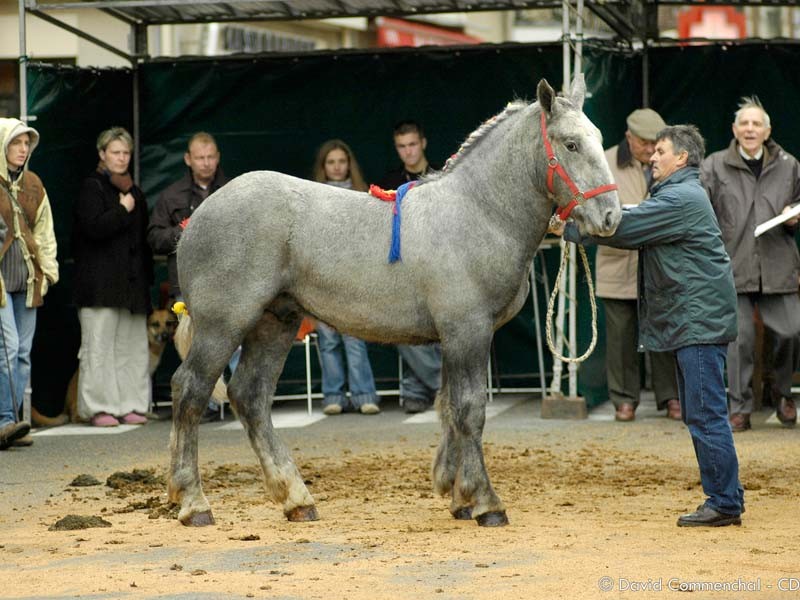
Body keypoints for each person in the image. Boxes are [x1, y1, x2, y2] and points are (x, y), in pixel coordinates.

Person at [553, 124, 744, 527]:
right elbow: (632, 218)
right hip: (697, 321)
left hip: (698, 323)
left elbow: (623, 227)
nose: (652, 157)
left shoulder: (682, 198)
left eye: (661, 151)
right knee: (701, 412)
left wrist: (568, 228)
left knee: (706, 414)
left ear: (682, 159)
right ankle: (725, 497)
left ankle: (725, 502)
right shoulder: (679, 195)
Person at [701, 96, 800, 432]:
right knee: (738, 339)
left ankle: (782, 393)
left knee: (791, 331)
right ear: (734, 130)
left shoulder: (789, 164)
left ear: (767, 130)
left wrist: (793, 215)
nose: (750, 129)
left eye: (756, 124)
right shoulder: (714, 165)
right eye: (744, 123)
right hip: (732, 265)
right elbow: (702, 210)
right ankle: (740, 406)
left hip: (778, 265)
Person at [597, 109, 680, 422]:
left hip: (660, 266)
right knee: (620, 337)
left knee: (665, 334)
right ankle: (624, 399)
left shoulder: (669, 162)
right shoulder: (604, 162)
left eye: (655, 144)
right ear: (628, 138)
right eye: (644, 143)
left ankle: (671, 396)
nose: (650, 150)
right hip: (618, 264)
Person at [146, 132, 231, 422]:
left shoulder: (233, 192)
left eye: (210, 157)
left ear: (218, 157)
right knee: (196, 346)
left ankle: (239, 400)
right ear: (188, 159)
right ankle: (202, 406)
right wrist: (184, 231)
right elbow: (154, 238)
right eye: (200, 158)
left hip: (230, 283)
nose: (206, 163)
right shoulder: (171, 196)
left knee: (235, 341)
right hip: (188, 285)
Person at [73, 126, 153, 427]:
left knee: (131, 348)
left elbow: (141, 241)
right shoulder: (91, 187)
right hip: (99, 286)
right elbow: (92, 229)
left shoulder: (134, 191)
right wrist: (121, 210)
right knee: (100, 349)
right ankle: (99, 407)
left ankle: (130, 404)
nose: (121, 158)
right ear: (102, 154)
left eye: (126, 153)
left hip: (131, 287)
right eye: (115, 152)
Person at [0, 119, 58, 449]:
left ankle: (15, 422)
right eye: (15, 143)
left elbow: (44, 232)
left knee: (22, 354)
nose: (22, 150)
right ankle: (5, 420)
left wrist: (47, 273)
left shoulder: (34, 183)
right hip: (1, 284)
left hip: (28, 281)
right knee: (6, 349)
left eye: (26, 144)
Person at [311, 139, 380, 415]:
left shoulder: (364, 194)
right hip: (321, 278)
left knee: (354, 337)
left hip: (355, 277)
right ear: (323, 167)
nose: (337, 167)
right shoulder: (312, 196)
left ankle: (364, 395)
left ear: (349, 164)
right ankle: (333, 396)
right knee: (328, 340)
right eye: (331, 162)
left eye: (342, 161)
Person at [377, 121, 442, 414]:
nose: (408, 151)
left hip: (440, 263)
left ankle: (416, 390)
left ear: (423, 143)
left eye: (412, 144)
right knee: (403, 327)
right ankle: (440, 384)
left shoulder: (443, 176)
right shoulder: (389, 179)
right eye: (402, 147)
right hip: (402, 266)